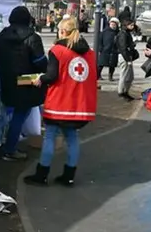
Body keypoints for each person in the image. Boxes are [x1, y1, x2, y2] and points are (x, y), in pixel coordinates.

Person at [23, 18, 97, 187]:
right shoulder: (90, 53)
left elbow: (52, 76)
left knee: (49, 137)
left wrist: (40, 78)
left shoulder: (57, 51)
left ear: (62, 31)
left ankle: (42, 175)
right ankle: (69, 176)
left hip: (60, 103)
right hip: (79, 105)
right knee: (72, 138)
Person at [0, 6, 47, 161]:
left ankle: (4, 142)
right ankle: (10, 149)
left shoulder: (1, 37)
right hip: (27, 81)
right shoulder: (33, 37)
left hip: (7, 80)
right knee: (20, 113)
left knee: (10, 113)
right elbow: (40, 62)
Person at [116, 18, 139, 101]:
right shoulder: (123, 34)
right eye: (131, 25)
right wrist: (128, 59)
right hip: (125, 57)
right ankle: (122, 92)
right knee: (125, 75)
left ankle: (125, 91)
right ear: (126, 25)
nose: (132, 27)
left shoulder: (126, 33)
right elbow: (123, 48)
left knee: (129, 76)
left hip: (127, 56)